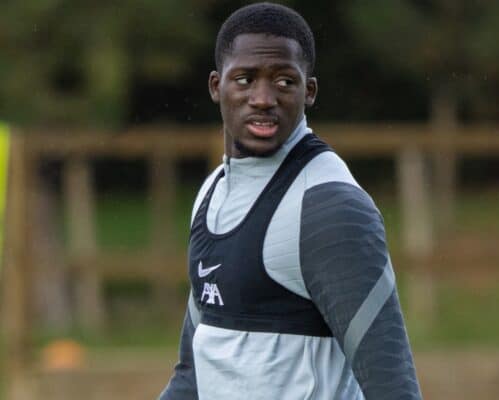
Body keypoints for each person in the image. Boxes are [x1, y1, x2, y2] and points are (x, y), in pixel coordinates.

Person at [159, 3, 421, 399]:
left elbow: (393, 386)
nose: (263, 98)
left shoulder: (329, 207)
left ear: (309, 91)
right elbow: (193, 373)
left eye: (284, 82)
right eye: (245, 79)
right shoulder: (212, 192)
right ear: (216, 86)